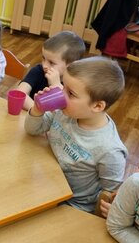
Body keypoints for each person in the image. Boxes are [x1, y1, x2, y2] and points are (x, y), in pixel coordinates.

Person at [24, 56, 127, 213]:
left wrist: (111, 207)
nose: (60, 93)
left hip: (72, 205)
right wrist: (38, 109)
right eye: (63, 86)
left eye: (70, 93)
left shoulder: (110, 150)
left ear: (98, 106)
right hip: (44, 180)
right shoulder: (64, 112)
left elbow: (110, 194)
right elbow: (32, 130)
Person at [15, 31, 86, 110]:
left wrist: (57, 86)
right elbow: (20, 93)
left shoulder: (75, 83)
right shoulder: (38, 70)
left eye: (51, 63)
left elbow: (69, 110)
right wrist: (39, 112)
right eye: (43, 58)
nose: (44, 65)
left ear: (71, 65)